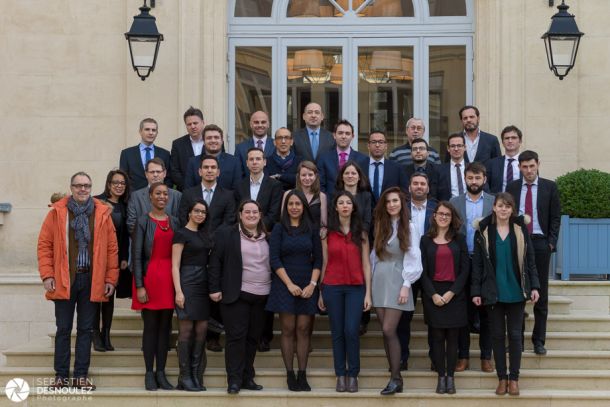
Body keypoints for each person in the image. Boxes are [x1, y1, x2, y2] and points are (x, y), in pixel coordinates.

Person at [38, 171, 118, 390]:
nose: (83, 189)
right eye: (78, 186)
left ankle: (81, 376)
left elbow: (112, 249)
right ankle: (61, 376)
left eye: (87, 186)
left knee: (85, 330)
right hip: (64, 280)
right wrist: (47, 275)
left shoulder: (102, 213)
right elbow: (45, 246)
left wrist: (111, 278)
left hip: (91, 280)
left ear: (91, 188)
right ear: (71, 188)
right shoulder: (57, 213)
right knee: (63, 329)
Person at [471, 193, 541, 396]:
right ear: (493, 207)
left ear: (512, 210)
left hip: (516, 291)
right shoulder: (483, 231)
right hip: (493, 292)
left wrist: (534, 286)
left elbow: (530, 261)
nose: (504, 209)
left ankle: (514, 378)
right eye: (500, 206)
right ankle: (502, 378)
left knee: (516, 336)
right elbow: (477, 264)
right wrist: (476, 290)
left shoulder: (520, 230)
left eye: (508, 206)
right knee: (497, 336)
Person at [208, 200, 272, 394]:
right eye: (247, 212)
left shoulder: (268, 237)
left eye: (255, 212)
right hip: (236, 295)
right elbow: (215, 261)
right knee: (236, 338)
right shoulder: (227, 234)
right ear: (240, 214)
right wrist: (214, 288)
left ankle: (247, 378)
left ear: (260, 214)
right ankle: (234, 381)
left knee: (253, 339)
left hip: (262, 296)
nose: (251, 215)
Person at [266, 190, 322, 392]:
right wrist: (289, 284)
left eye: (298, 204)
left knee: (304, 329)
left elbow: (318, 259)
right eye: (291, 204)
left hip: (308, 283)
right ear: (286, 207)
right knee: (288, 329)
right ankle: (290, 374)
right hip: (284, 283)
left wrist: (312, 285)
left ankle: (302, 374)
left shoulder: (311, 229)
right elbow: (274, 259)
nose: (294, 207)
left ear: (304, 207)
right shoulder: (280, 228)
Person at [506, 150, 561, 356]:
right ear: (519, 167)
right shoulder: (512, 187)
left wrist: (551, 243)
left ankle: (539, 340)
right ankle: (516, 338)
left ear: (538, 164)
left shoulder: (550, 186)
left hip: (540, 243)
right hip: (517, 242)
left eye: (532, 166)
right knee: (516, 291)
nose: (528, 170)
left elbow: (556, 217)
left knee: (541, 294)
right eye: (524, 167)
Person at [318, 191, 372, 393]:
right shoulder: (327, 234)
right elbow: (324, 263)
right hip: (332, 286)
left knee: (351, 330)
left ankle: (353, 374)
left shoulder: (362, 234)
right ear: (335, 207)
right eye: (340, 202)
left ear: (353, 207)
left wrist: (368, 293)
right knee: (337, 332)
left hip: (356, 288)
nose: (345, 206)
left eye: (348, 202)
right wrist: (321, 291)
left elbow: (366, 264)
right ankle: (340, 374)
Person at [370, 187, 422, 395]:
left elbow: (414, 258)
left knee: (389, 330)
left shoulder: (409, 227)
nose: (392, 204)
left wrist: (406, 285)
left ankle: (396, 378)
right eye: (388, 201)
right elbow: (374, 256)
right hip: (380, 280)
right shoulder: (380, 225)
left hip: (398, 279)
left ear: (402, 204)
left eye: (395, 201)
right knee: (385, 330)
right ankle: (394, 373)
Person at [131, 182, 179, 391]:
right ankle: (149, 373)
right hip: (149, 278)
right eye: (157, 193)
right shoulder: (142, 221)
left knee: (165, 329)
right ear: (150, 197)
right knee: (150, 328)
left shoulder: (175, 221)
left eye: (165, 194)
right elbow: (137, 255)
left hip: (170, 279)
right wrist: (140, 286)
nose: (162, 197)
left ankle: (161, 372)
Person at [420, 201, 469, 394]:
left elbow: (465, 269)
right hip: (433, 293)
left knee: (453, 338)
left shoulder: (459, 239)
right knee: (437, 337)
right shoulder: (425, 240)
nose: (443, 217)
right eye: (440, 214)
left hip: (454, 294)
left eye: (447, 215)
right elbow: (421, 271)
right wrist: (432, 294)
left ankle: (451, 377)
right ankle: (441, 377)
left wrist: (451, 293)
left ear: (452, 218)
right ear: (434, 216)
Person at [450, 162, 495, 373]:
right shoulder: (455, 202)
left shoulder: (494, 202)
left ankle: (487, 356)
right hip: (462, 261)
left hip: (485, 262)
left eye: (478, 178)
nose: (474, 182)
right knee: (462, 312)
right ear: (465, 179)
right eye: (470, 178)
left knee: (486, 311)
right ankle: (463, 355)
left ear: (484, 179)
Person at [171, 199, 213, 391]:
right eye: (197, 211)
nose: (200, 214)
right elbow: (175, 265)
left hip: (203, 283)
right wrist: (178, 291)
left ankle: (196, 374)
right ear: (189, 212)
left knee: (202, 329)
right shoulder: (181, 233)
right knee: (186, 329)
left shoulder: (205, 234)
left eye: (203, 212)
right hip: (187, 282)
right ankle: (185, 376)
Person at [397, 172, 437, 370]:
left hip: (431, 268)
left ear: (428, 187)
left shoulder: (437, 208)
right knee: (404, 317)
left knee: (433, 316)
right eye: (415, 183)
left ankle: (435, 358)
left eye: (423, 183)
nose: (419, 186)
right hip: (407, 268)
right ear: (409, 187)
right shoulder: (401, 209)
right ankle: (402, 358)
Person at [92, 169, 131, 353]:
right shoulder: (96, 202)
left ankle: (106, 334)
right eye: (115, 182)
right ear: (108, 184)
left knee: (109, 298)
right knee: (95, 298)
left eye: (122, 183)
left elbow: (125, 235)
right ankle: (95, 334)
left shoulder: (125, 205)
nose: (119, 186)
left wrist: (124, 257)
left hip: (114, 259)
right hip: (96, 258)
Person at [127, 158, 182, 234]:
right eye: (152, 172)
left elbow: (180, 223)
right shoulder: (135, 196)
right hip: (143, 244)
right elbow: (131, 224)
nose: (155, 175)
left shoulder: (177, 196)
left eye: (158, 172)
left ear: (164, 173)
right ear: (146, 174)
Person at [235, 147, 283, 232]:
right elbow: (237, 212)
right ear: (247, 163)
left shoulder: (275, 186)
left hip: (265, 233)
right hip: (242, 233)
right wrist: (245, 230)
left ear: (264, 162)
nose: (254, 162)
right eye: (251, 159)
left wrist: (255, 230)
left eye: (258, 159)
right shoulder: (239, 186)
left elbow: (273, 215)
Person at [317, 119, 369, 195]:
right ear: (334, 135)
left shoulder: (363, 159)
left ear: (352, 136)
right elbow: (320, 186)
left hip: (355, 204)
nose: (343, 136)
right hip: (330, 204)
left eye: (347, 134)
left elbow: (364, 185)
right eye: (340, 133)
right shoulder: (324, 158)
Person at [184, 124, 243, 190]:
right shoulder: (193, 162)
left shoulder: (234, 162)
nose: (213, 140)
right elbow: (189, 190)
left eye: (216, 137)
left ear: (222, 141)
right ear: (203, 141)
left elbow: (237, 190)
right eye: (209, 138)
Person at [119, 118, 171, 190]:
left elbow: (169, 178)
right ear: (140, 131)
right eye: (147, 129)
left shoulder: (165, 154)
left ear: (157, 133)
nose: (151, 132)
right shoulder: (127, 154)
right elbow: (123, 178)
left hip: (159, 197)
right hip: (134, 197)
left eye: (153, 130)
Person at [367, 131, 408, 209]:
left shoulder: (397, 168)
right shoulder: (360, 166)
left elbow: (404, 193)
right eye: (373, 142)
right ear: (368, 146)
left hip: (389, 213)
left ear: (386, 146)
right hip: (365, 215)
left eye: (381, 142)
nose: (377, 145)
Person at [283, 161, 328, 229]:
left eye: (310, 175)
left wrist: (324, 230)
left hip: (314, 235)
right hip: (293, 234)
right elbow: (283, 219)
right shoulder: (288, 194)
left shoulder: (322, 196)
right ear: (298, 176)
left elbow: (323, 223)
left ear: (315, 176)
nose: (307, 178)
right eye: (303, 175)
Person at [170, 107, 206, 191]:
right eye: (189, 124)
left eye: (195, 123)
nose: (192, 126)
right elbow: (174, 171)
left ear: (203, 123)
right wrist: (188, 187)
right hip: (186, 191)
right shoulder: (177, 144)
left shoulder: (213, 141)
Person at [335, 160, 372, 233]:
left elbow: (367, 221)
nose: (350, 176)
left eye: (353, 173)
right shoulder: (335, 196)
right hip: (340, 236)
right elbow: (332, 219)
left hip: (360, 237)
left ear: (359, 177)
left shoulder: (366, 196)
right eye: (347, 173)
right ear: (342, 177)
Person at [235, 111, 275, 176]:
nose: (260, 125)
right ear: (251, 125)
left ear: (268, 125)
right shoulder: (240, 148)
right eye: (256, 122)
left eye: (263, 122)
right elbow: (238, 174)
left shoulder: (276, 145)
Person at [486, 125, 523, 193]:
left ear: (520, 141)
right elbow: (486, 185)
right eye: (507, 138)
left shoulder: (527, 163)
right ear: (502, 142)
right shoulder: (492, 164)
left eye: (513, 138)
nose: (510, 141)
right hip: (498, 201)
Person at [437, 133, 467, 202]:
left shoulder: (472, 168)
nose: (456, 149)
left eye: (459, 146)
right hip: (448, 209)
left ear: (465, 147)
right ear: (448, 148)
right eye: (453, 146)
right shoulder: (439, 170)